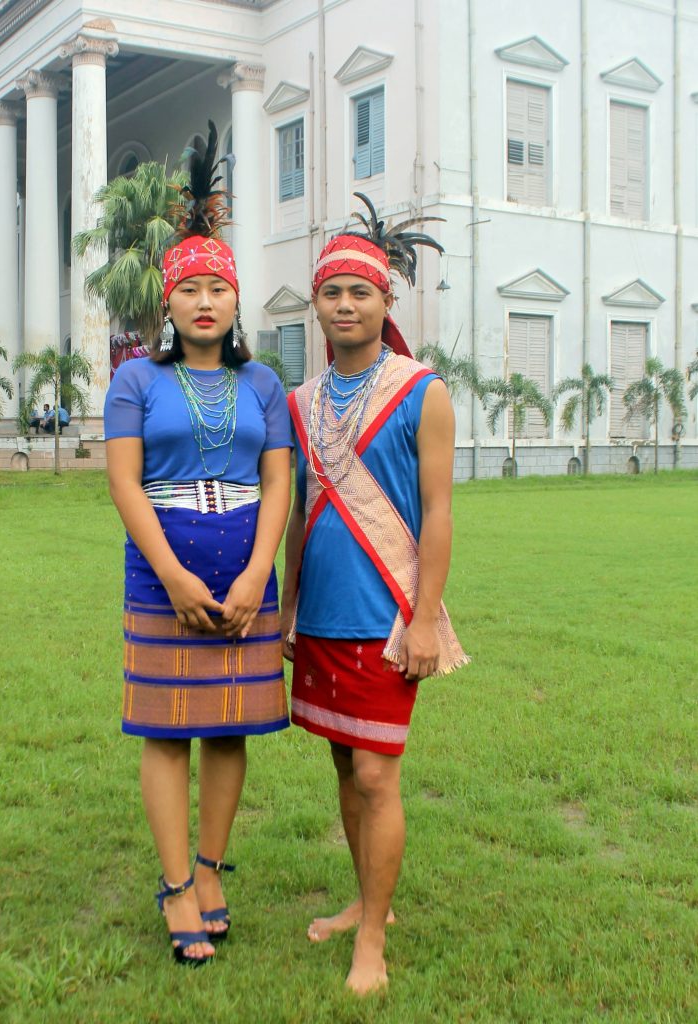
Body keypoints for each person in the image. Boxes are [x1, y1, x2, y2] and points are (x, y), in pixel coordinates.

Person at [104, 122, 292, 968]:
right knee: (166, 730)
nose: (206, 301)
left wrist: (258, 572)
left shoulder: (263, 384)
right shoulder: (136, 380)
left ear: (235, 301)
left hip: (248, 570)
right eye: (191, 290)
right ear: (168, 305)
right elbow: (124, 485)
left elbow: (280, 483)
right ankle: (176, 884)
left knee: (228, 729)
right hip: (164, 572)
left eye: (220, 286)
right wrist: (173, 573)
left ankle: (213, 871)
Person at [280, 193, 469, 995]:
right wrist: (286, 609)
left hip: (387, 620)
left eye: (362, 291)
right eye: (333, 292)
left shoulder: (422, 391)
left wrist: (424, 622)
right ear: (316, 304)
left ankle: (372, 948)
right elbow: (295, 516)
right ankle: (369, 908)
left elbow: (438, 512)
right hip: (319, 616)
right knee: (339, 765)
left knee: (375, 777)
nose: (347, 304)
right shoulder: (300, 402)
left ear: (387, 300)